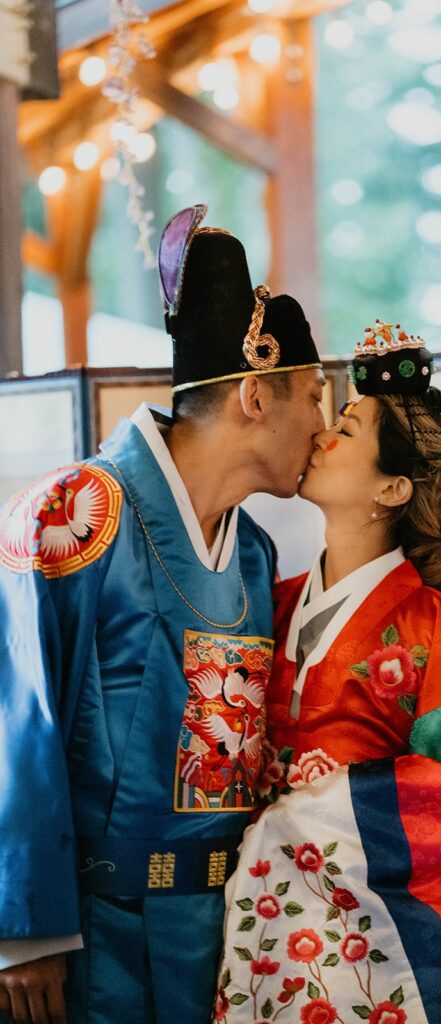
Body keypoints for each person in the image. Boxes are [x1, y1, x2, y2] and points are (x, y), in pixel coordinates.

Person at [0, 204, 325, 1024]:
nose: (322, 426)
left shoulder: (251, 548)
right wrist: (24, 933)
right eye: (314, 397)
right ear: (256, 393)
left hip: (220, 929)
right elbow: (15, 720)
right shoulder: (79, 511)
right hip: (88, 933)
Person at [213, 323, 441, 1024]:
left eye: (344, 430)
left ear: (392, 486)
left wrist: (315, 813)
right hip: (272, 935)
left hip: (389, 955)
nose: (319, 436)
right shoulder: (270, 602)